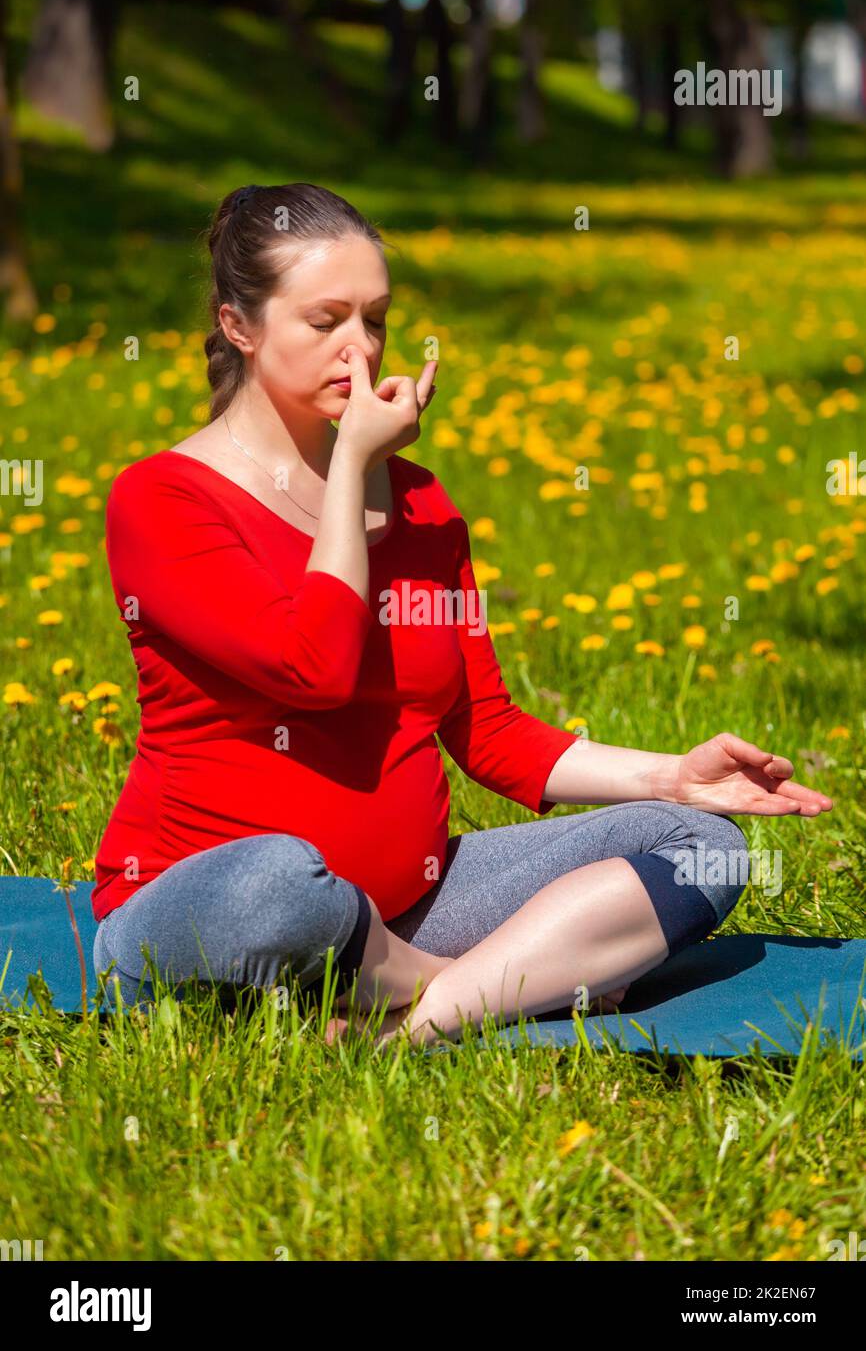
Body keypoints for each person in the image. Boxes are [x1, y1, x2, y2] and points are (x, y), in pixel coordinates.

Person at [92, 181, 833, 1047]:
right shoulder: (162, 500)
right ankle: (495, 983)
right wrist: (352, 474)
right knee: (283, 882)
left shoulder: (424, 506)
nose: (359, 350)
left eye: (375, 320)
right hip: (218, 906)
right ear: (238, 326)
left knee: (702, 843)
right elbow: (313, 668)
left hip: (413, 907)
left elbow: (489, 731)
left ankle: (411, 1024)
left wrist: (673, 775)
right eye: (324, 321)